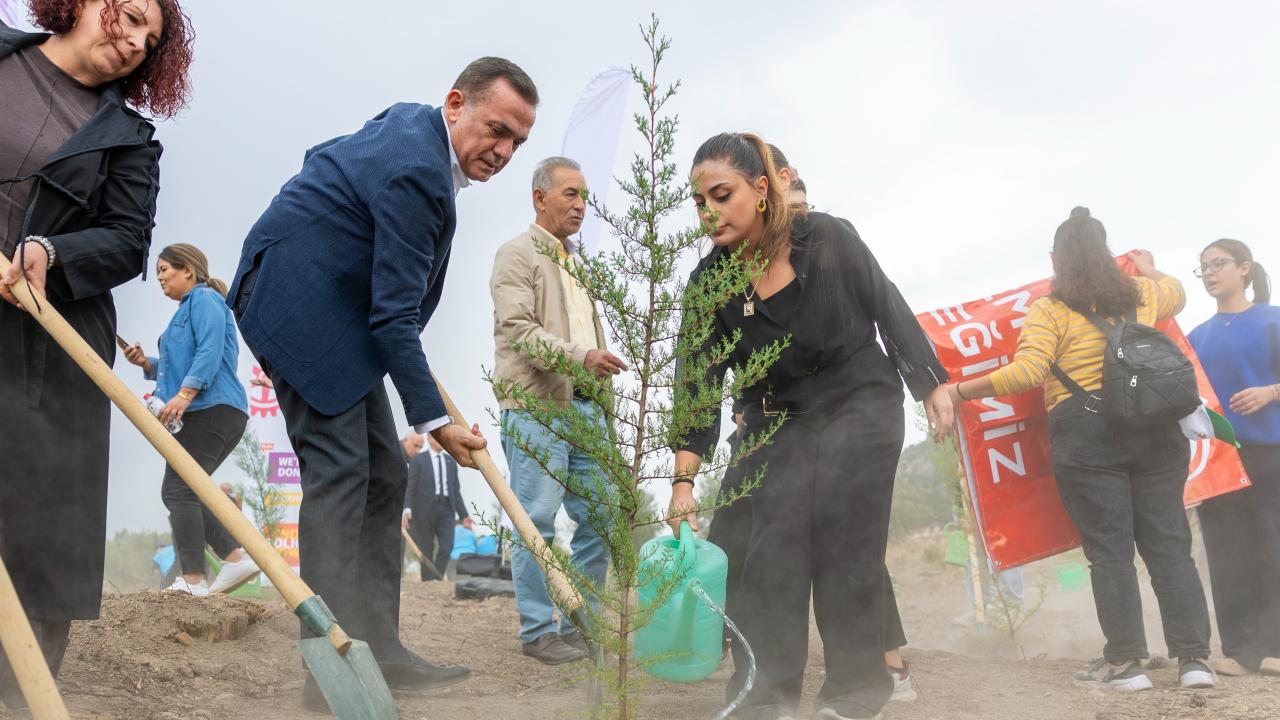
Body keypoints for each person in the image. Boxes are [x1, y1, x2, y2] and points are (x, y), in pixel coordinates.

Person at [227, 57, 538, 711]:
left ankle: (380, 648)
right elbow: (395, 318)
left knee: (387, 472)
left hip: (339, 311)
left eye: (518, 141)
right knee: (342, 471)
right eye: (497, 129)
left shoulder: (412, 126)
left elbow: (323, 157)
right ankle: (330, 667)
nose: (505, 151)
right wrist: (437, 424)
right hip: (299, 309)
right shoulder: (418, 171)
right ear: (456, 103)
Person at [669, 133, 954, 720]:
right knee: (769, 554)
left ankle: (854, 694)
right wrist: (682, 481)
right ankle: (764, 699)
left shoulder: (826, 237)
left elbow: (887, 303)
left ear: (761, 188)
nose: (710, 213)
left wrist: (930, 382)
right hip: (777, 418)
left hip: (859, 402)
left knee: (848, 545)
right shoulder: (707, 286)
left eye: (722, 195)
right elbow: (696, 389)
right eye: (699, 203)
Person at [0, 0, 193, 708]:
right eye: (131, 15)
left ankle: (21, 691)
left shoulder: (131, 140)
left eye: (151, 39)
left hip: (51, 336)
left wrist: (50, 251)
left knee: (44, 513)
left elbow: (125, 241)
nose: (137, 40)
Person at [944, 207, 1214, 692]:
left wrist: (959, 391)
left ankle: (1127, 665)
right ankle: (1194, 662)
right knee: (1170, 545)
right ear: (1107, 252)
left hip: (1088, 433)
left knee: (1110, 551)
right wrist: (1149, 267)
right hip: (1155, 428)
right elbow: (1178, 290)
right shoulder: (1144, 292)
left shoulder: (1049, 310)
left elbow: (1027, 372)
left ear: (1056, 259)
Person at [490, 156, 625, 665]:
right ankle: (537, 631)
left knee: (601, 522)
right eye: (571, 193)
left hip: (586, 411)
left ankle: (580, 625)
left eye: (585, 196)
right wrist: (581, 357)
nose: (581, 205)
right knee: (537, 521)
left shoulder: (578, 264)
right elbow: (520, 332)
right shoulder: (515, 255)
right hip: (537, 409)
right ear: (539, 197)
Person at [123, 243, 257, 597]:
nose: (160, 277)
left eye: (165, 269)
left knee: (179, 489)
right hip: (209, 410)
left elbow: (209, 351)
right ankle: (233, 558)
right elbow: (179, 364)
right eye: (158, 272)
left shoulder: (205, 299)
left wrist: (184, 395)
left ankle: (194, 580)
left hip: (213, 409)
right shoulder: (185, 310)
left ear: (188, 270)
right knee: (189, 488)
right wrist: (147, 364)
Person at [1187, 239, 1280, 677]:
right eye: (1203, 267)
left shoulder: (1272, 321)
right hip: (1217, 461)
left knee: (1272, 546)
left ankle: (1275, 648)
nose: (1209, 273)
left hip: (1270, 453)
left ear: (1245, 268)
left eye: (1218, 264)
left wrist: (1271, 392)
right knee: (1225, 553)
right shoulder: (1195, 338)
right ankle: (1240, 650)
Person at [402, 434, 473, 582]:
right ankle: (428, 581)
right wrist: (407, 508)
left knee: (448, 545)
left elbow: (456, 491)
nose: (441, 441)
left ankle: (436, 576)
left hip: (446, 509)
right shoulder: (418, 460)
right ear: (430, 438)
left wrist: (464, 516)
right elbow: (410, 487)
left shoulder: (451, 461)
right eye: (437, 437)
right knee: (426, 546)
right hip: (424, 510)